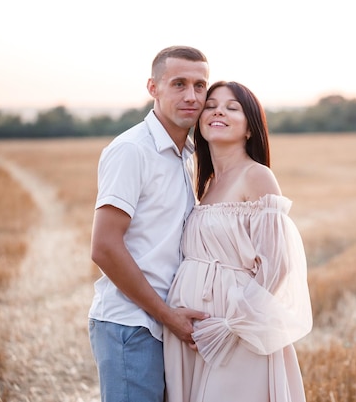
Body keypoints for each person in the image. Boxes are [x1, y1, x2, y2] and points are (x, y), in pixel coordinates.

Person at [164, 81, 313, 402]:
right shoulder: (206, 184)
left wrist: (232, 326)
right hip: (196, 333)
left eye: (232, 107)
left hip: (236, 332)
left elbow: (277, 266)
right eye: (211, 105)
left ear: (249, 129)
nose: (218, 110)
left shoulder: (257, 176)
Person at [88, 45, 210, 402]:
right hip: (132, 325)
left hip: (164, 326)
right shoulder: (132, 150)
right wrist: (167, 316)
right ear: (153, 88)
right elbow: (104, 248)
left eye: (200, 86)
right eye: (179, 84)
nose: (192, 96)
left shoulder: (187, 155)